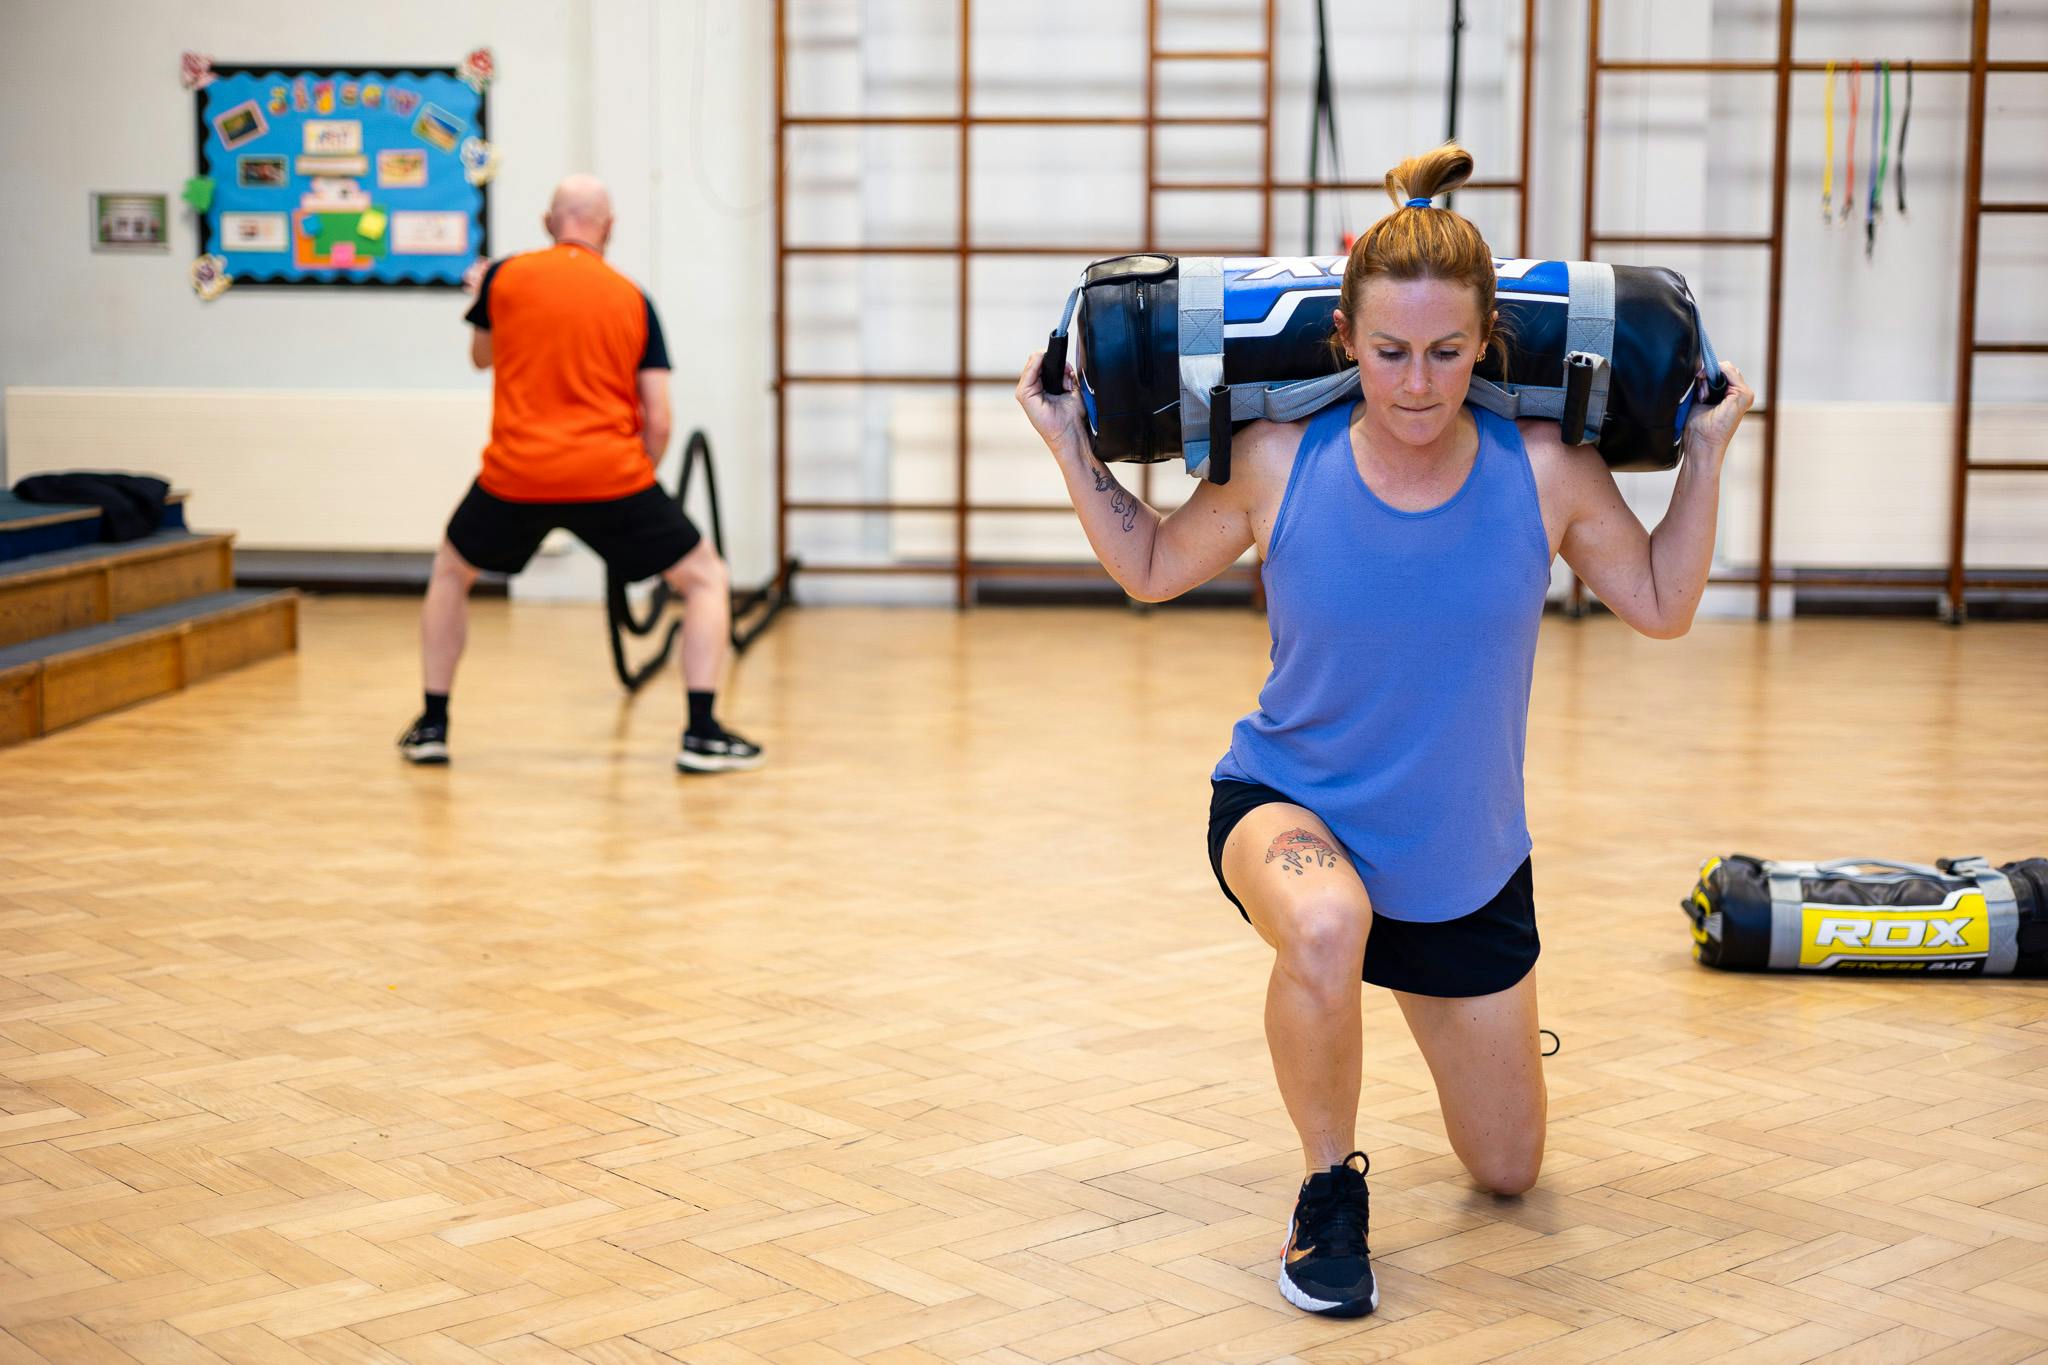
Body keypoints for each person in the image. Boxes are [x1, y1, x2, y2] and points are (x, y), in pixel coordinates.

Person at [1016, 143, 1752, 1319]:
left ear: (1486, 348)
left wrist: (1705, 454)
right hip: (1288, 804)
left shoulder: (1547, 467)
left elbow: (1660, 605)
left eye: (1448, 354)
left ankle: (1462, 1013)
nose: (1417, 383)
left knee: (1507, 1171)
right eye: (1391, 351)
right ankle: (1325, 1193)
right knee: (1324, 921)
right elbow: (1153, 565)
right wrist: (1066, 442)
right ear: (1346, 344)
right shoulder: (1275, 457)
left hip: (1460, 861)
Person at [398, 174, 763, 773]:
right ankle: (701, 731)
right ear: (609, 227)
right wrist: (637, 483)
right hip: (611, 476)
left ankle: (432, 725)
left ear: (549, 222)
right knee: (704, 578)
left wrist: (481, 295)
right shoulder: (633, 298)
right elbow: (661, 418)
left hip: (516, 475)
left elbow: (480, 357)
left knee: (451, 570)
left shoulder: (505, 278)